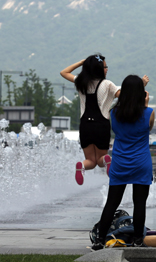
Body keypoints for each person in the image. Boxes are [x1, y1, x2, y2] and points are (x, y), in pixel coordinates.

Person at [60, 55, 149, 185]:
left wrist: (81, 63)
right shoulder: (107, 84)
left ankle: (81, 166)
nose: (107, 69)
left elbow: (64, 72)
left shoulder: (81, 82)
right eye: (105, 67)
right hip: (101, 125)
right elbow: (126, 96)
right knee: (101, 159)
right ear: (98, 69)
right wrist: (141, 84)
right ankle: (107, 160)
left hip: (85, 125)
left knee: (90, 160)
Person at [92, 75, 155, 250]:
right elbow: (146, 127)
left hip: (120, 163)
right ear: (141, 94)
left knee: (112, 203)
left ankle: (99, 240)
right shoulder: (149, 113)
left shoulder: (114, 114)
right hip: (141, 163)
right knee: (139, 203)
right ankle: (137, 240)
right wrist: (145, 105)